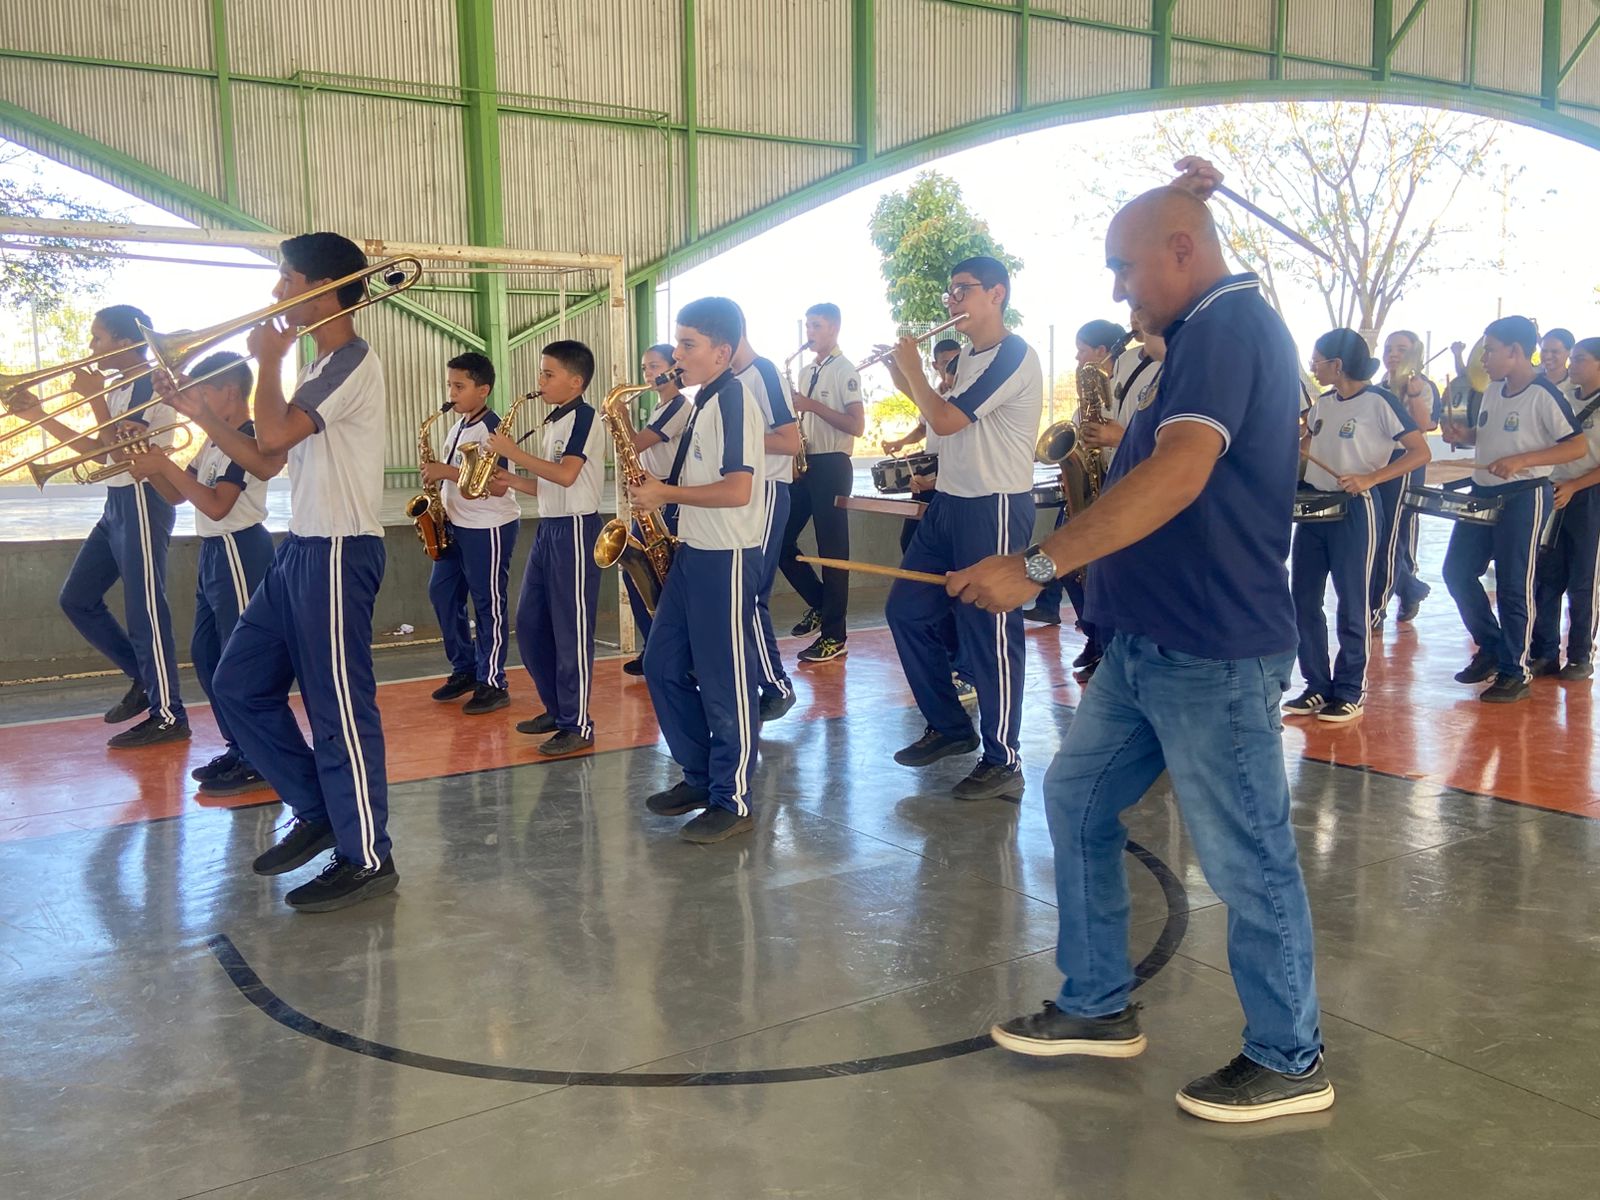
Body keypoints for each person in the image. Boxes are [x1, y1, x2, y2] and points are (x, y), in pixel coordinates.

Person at [951, 167, 1334, 1123]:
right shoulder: (1202, 329)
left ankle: (1290, 1058)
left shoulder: (1232, 325)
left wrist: (1038, 566)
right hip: (1147, 647)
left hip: (1213, 651)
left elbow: (1181, 470)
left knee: (1247, 857)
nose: (1119, 288)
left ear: (1183, 251)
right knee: (1078, 799)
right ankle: (1097, 1004)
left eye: (1126, 267)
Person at [212, 232, 395, 913]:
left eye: (286, 279)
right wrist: (201, 413)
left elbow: (273, 435)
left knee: (338, 708)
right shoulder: (321, 365)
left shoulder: (351, 360)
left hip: (340, 551)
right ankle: (320, 810)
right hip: (302, 548)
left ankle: (367, 855)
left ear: (322, 288)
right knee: (237, 685)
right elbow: (266, 460)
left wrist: (267, 361)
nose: (276, 292)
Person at [878, 256, 1043, 802]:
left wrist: (915, 372)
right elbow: (943, 422)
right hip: (950, 502)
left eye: (962, 290)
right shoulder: (968, 358)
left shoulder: (1014, 354)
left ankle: (1003, 757)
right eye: (950, 292)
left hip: (994, 505)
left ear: (996, 294)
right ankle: (950, 727)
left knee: (988, 631)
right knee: (906, 610)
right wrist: (902, 377)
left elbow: (949, 420)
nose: (952, 302)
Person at [17, 304, 189, 747]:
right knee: (77, 598)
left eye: (98, 338)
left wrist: (93, 398)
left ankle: (169, 714)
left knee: (146, 610)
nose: (91, 347)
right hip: (117, 502)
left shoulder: (147, 384)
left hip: (143, 500)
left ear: (125, 343)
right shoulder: (119, 386)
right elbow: (99, 450)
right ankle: (144, 677)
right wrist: (38, 416)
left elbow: (121, 449)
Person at [632, 297, 765, 843]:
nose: (677, 357)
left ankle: (732, 798)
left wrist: (664, 493)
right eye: (678, 343)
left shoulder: (733, 399)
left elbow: (738, 489)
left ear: (722, 352)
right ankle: (699, 775)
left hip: (727, 555)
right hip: (693, 549)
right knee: (661, 665)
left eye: (688, 345)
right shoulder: (703, 400)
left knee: (724, 680)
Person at [131, 351, 283, 795]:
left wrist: (164, 466)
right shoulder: (214, 441)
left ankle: (258, 757)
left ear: (229, 392)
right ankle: (239, 746)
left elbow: (217, 505)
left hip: (239, 548)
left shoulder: (245, 438)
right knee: (207, 654)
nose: (194, 401)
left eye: (202, 392)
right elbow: (178, 495)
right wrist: (149, 463)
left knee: (239, 661)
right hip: (215, 551)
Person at [1285, 330, 1430, 722]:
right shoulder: (1322, 404)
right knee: (1304, 600)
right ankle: (1317, 685)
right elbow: (1310, 446)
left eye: (1317, 360)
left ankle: (1350, 689)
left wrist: (1371, 478)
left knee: (1353, 602)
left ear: (1337, 364)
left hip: (1355, 510)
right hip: (1316, 510)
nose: (1313, 367)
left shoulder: (1379, 402)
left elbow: (1420, 452)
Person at [1439, 316, 1586, 703]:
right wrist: (1465, 436)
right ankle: (1491, 645)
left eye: (1489, 350)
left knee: (1513, 583)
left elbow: (1576, 446)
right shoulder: (1493, 390)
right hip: (1483, 492)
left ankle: (1514, 671)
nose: (1483, 359)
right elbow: (1490, 435)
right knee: (1457, 571)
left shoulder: (1543, 394)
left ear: (1515, 351)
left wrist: (1523, 460)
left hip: (1523, 495)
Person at [487, 340, 603, 755]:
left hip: (575, 530)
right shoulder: (554, 421)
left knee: (571, 630)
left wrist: (512, 453)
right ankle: (558, 709)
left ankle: (577, 724)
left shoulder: (585, 418)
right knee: (531, 623)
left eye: (549, 374)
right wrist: (511, 480)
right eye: (541, 372)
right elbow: (551, 484)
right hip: (549, 527)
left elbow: (568, 475)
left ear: (576, 381)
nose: (541, 380)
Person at [1024, 318, 1126, 683]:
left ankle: (1107, 646)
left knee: (1103, 573)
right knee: (1065, 566)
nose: (1078, 357)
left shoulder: (1127, 389)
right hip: (1084, 492)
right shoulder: (1089, 399)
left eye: (1082, 350)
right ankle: (1093, 635)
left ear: (1101, 351)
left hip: (1115, 489)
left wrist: (1114, 438)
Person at [423, 352, 522, 716]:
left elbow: (496, 485)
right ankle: (465, 668)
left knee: (487, 603)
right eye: (450, 385)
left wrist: (445, 472)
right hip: (456, 525)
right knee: (442, 592)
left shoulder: (494, 430)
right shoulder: (458, 426)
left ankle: (493, 682)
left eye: (459, 386)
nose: (451, 393)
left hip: (488, 527)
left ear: (483, 390)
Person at [880, 339, 978, 707]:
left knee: (962, 585)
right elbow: (920, 403)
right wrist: (896, 367)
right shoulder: (940, 395)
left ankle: (967, 671)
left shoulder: (966, 400)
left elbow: (966, 451)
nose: (948, 371)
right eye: (944, 365)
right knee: (920, 569)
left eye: (954, 364)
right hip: (938, 485)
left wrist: (934, 480)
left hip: (960, 492)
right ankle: (951, 660)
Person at [778, 302, 862, 664]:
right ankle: (819, 603)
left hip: (833, 464)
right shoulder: (806, 370)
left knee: (833, 551)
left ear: (834, 328)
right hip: (807, 464)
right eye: (808, 326)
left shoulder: (845, 370)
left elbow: (856, 425)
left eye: (817, 326)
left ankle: (834, 635)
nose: (810, 333)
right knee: (780, 540)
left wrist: (811, 405)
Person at [732, 330, 801, 722]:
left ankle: (776, 685)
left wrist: (736, 438)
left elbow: (789, 442)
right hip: (743, 493)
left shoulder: (763, 372)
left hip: (768, 489)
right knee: (738, 592)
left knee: (751, 593)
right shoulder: (733, 380)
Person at [1530, 336, 1600, 680]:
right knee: (1547, 575)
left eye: (1581, 359)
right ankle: (1544, 653)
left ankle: (1580, 655)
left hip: (1590, 495)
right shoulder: (1564, 399)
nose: (1573, 365)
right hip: (1557, 492)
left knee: (1583, 579)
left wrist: (1575, 485)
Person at [620, 345, 691, 677]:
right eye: (645, 368)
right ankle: (654, 648)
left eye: (654, 366)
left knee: (662, 578)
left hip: (668, 501)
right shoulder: (659, 407)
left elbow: (634, 444)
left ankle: (669, 653)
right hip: (651, 500)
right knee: (636, 572)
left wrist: (621, 416)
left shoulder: (678, 406)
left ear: (673, 369)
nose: (648, 374)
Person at [1372, 329, 1440, 625]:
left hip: (1406, 461)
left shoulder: (1422, 387)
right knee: (1378, 533)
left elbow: (1424, 425)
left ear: (1415, 353)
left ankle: (1380, 605)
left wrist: (1412, 395)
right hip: (1377, 461)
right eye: (1389, 348)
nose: (1393, 354)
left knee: (1395, 533)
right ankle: (1410, 588)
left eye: (1401, 349)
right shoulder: (1378, 386)